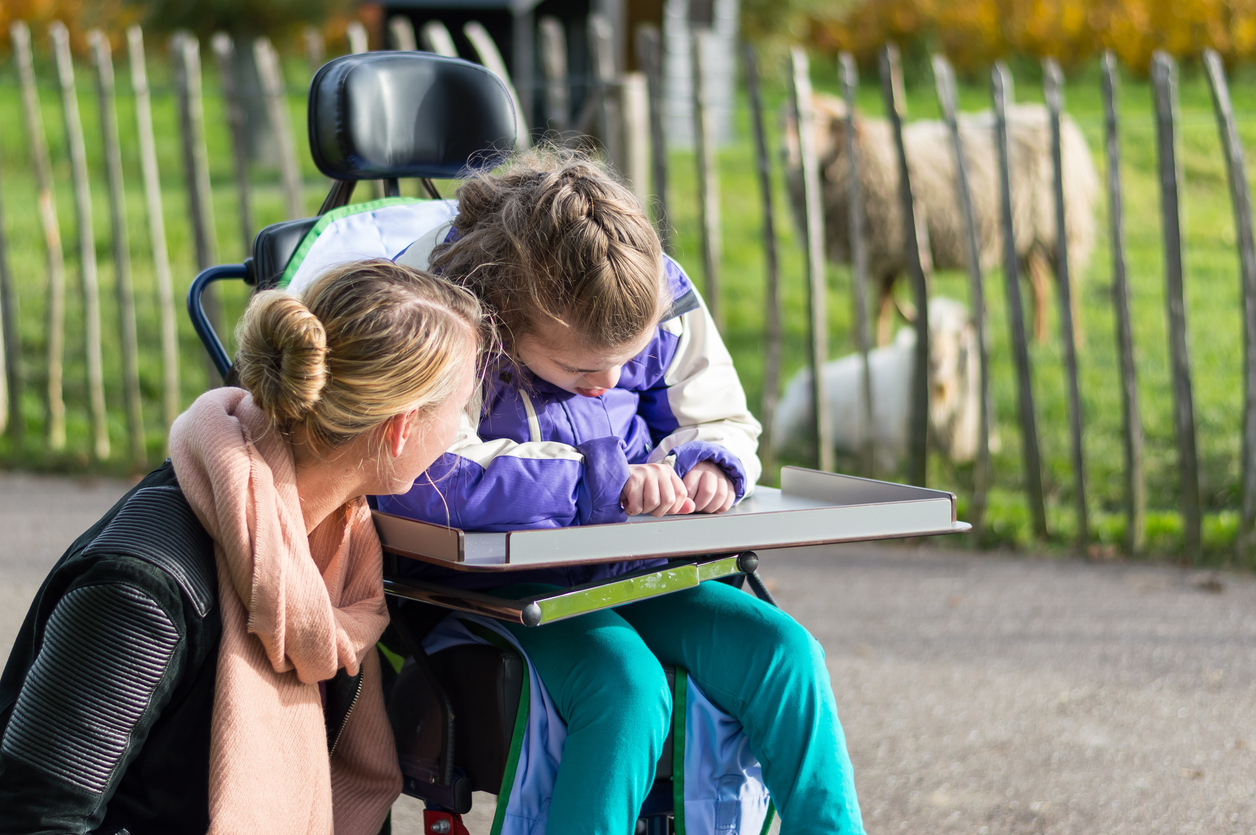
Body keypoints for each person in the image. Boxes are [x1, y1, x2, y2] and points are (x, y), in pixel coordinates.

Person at [377, 150, 867, 835]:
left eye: (626, 359)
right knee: (625, 687)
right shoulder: (442, 311)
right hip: (502, 592)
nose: (609, 380)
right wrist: (594, 481)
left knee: (786, 653)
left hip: (637, 569)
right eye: (581, 365)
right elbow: (423, 472)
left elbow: (718, 412)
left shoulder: (643, 280)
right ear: (507, 319)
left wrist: (711, 464)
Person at [0, 259, 484, 835]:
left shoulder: (339, 550)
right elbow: (35, 819)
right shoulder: (144, 591)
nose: (466, 428)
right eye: (461, 408)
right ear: (401, 428)